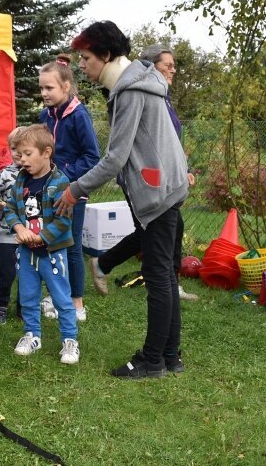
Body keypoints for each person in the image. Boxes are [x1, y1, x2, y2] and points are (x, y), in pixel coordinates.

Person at [56, 21, 188, 379]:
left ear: (106, 55)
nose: (83, 66)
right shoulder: (140, 80)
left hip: (158, 191)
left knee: (158, 277)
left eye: (86, 59)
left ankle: (152, 360)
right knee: (165, 274)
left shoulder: (130, 90)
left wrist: (74, 189)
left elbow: (115, 157)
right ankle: (170, 355)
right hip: (167, 185)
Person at [87, 44, 198, 301]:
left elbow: (169, 142)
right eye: (168, 65)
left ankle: (162, 280)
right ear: (151, 66)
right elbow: (124, 149)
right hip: (143, 180)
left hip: (164, 180)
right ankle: (162, 281)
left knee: (160, 231)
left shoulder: (162, 96)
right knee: (152, 232)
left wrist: (184, 169)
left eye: (174, 65)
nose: (173, 70)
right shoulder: (138, 94)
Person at [5, 124, 79, 365]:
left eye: (28, 154)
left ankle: (70, 340)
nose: (22, 160)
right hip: (26, 253)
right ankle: (32, 335)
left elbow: (64, 221)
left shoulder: (60, 182)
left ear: (46, 152)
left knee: (61, 297)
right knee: (28, 295)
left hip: (52, 253)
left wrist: (42, 237)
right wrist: (19, 228)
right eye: (19, 154)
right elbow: (10, 209)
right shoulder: (20, 180)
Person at [37, 54, 100, 321]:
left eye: (49, 87)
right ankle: (56, 295)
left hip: (73, 192)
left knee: (71, 246)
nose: (44, 93)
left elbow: (92, 157)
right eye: (41, 88)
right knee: (52, 242)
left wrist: (64, 176)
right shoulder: (46, 115)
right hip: (48, 191)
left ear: (65, 87)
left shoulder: (79, 115)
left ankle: (77, 304)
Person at [0, 127, 24, 324]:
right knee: (6, 273)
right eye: (14, 148)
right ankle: (1, 305)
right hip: (5, 233)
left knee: (27, 274)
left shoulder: (37, 175)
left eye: (23, 149)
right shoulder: (3, 175)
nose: (18, 153)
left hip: (29, 235)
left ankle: (24, 307)